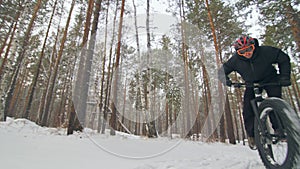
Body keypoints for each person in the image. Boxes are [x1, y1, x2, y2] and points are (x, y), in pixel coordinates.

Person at [218, 35, 291, 149]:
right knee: (248, 108)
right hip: (251, 83)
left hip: (270, 79)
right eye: (242, 52)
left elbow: (284, 59)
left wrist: (284, 77)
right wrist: (227, 81)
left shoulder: (265, 51)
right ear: (238, 52)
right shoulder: (235, 60)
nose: (247, 53)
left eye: (249, 49)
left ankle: (280, 129)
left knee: (276, 102)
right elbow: (222, 72)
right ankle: (253, 136)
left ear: (254, 46)